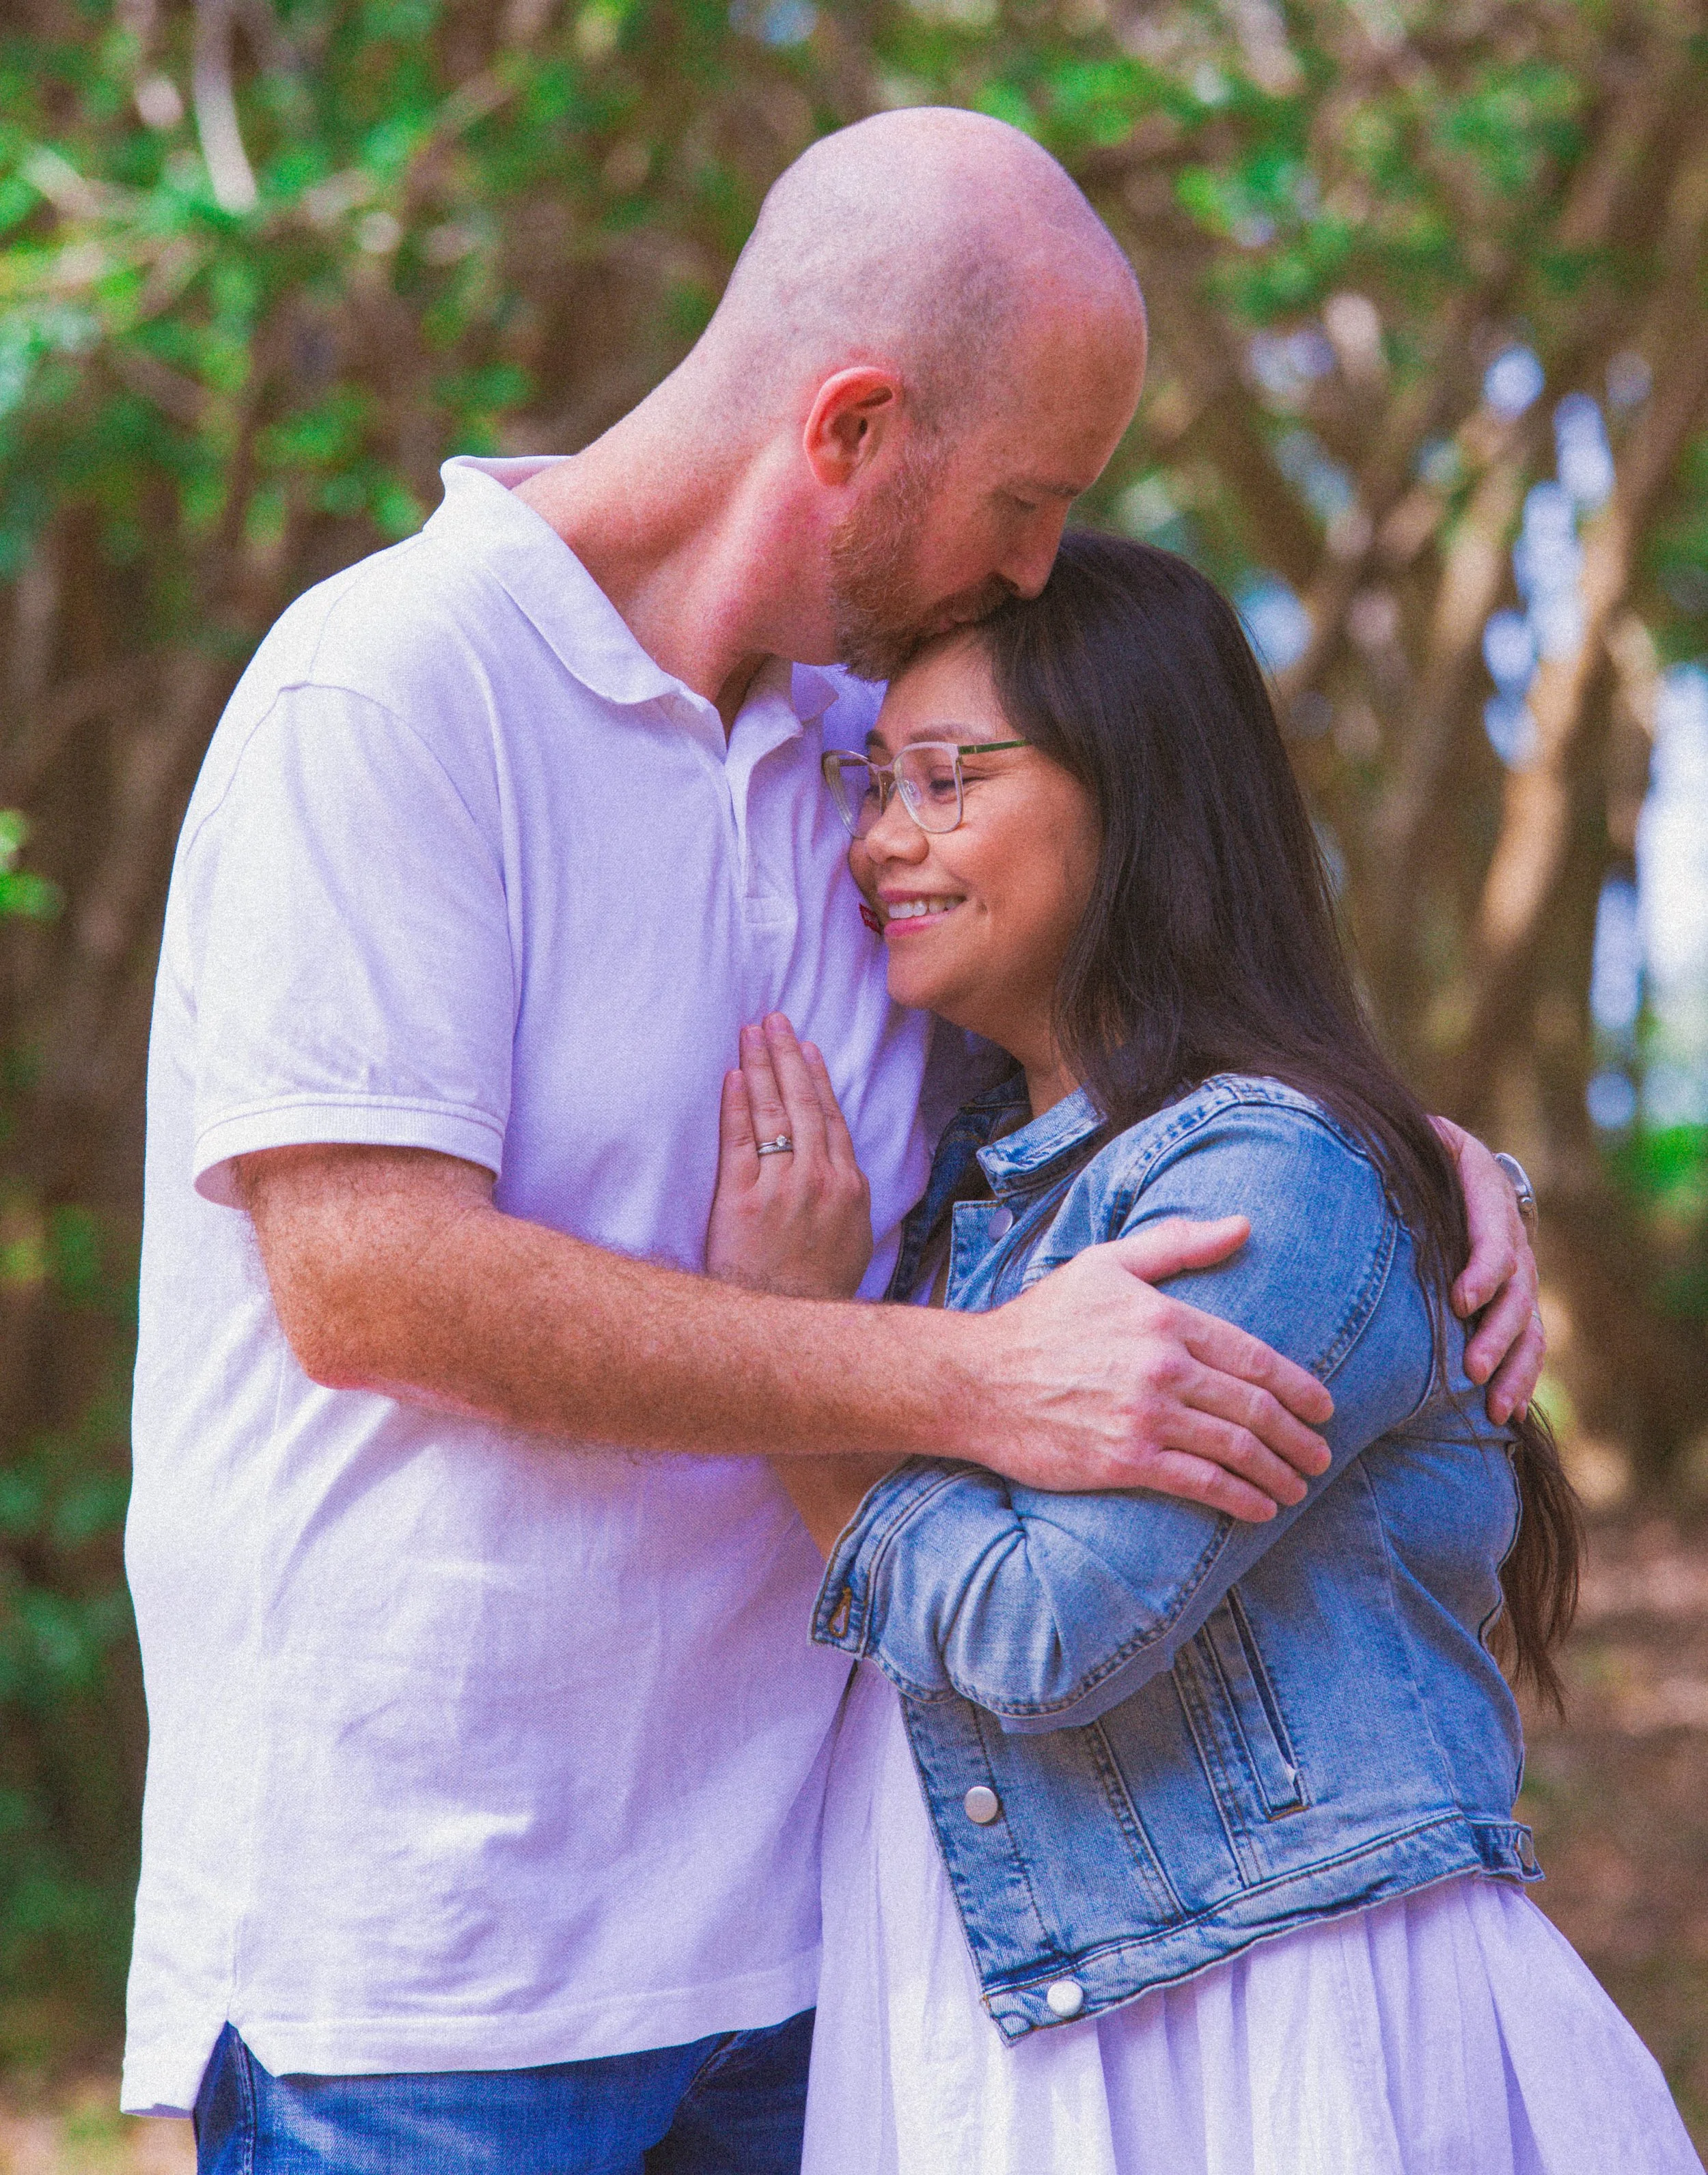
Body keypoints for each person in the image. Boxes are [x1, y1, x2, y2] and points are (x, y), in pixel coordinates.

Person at [126, 111, 1544, 2175]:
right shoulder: (391, 693)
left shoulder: (849, 771)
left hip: (821, 1961)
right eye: (1028, 500)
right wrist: (972, 1379)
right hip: (430, 1977)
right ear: (856, 428)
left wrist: (1395, 1150)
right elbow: (370, 1282)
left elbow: (1091, 1070)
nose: (1042, 566)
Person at [707, 533, 1700, 2174]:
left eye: (946, 779)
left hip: (1261, 2025)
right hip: (1019, 2016)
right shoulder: (978, 1181)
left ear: (1137, 791)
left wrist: (799, 1375)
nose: (882, 837)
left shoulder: (1261, 1179)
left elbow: (1047, 1628)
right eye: (870, 780)